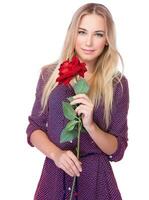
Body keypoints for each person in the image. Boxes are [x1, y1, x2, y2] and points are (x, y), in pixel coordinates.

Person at [26, 3, 129, 200]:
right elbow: (34, 129)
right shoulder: (49, 75)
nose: (88, 42)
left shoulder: (117, 85)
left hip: (97, 182)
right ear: (73, 34)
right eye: (82, 32)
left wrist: (91, 126)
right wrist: (57, 154)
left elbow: (118, 149)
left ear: (107, 40)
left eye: (98, 34)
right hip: (54, 178)